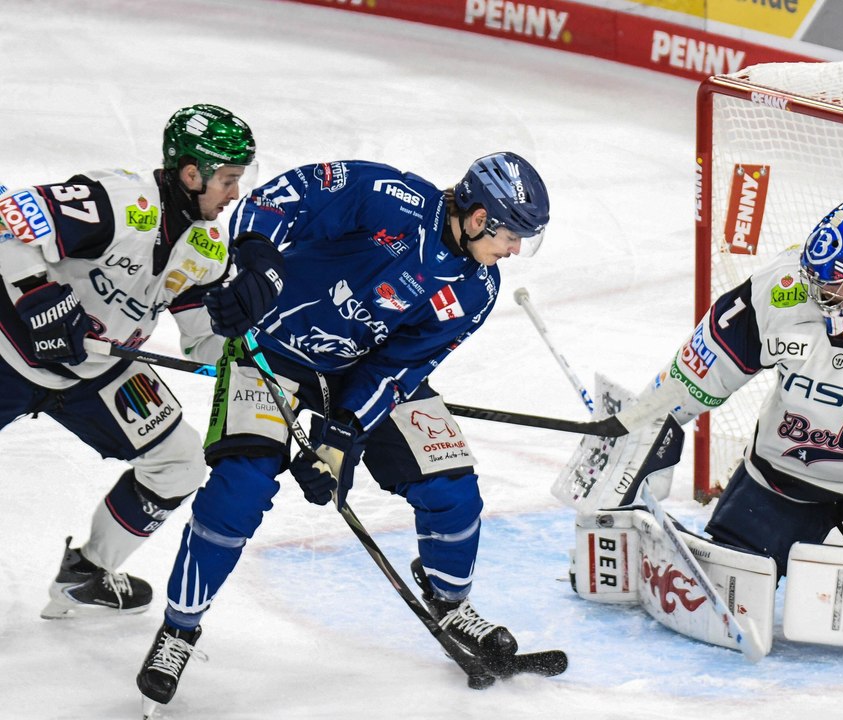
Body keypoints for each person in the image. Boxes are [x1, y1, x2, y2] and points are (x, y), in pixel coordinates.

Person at [135, 153, 551, 711]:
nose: (515, 250)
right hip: (272, 350)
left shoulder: (478, 288)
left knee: (451, 487)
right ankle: (179, 628)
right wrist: (258, 267)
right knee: (240, 489)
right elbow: (274, 200)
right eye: (512, 235)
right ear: (479, 218)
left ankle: (450, 602)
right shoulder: (390, 197)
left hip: (358, 373)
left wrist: (342, 436)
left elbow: (398, 370)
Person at [613, 201, 843, 574]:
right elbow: (701, 369)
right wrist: (635, 425)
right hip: (780, 475)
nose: (818, 295)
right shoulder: (781, 285)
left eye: (833, 286)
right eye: (814, 281)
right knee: (728, 577)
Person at [0, 104, 256, 618]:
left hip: (100, 371)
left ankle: (87, 573)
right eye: (228, 180)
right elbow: (7, 219)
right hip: (9, 353)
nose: (234, 194)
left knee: (179, 464)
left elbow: (201, 342)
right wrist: (38, 296)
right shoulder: (118, 201)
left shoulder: (207, 247)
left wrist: (246, 337)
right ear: (192, 174)